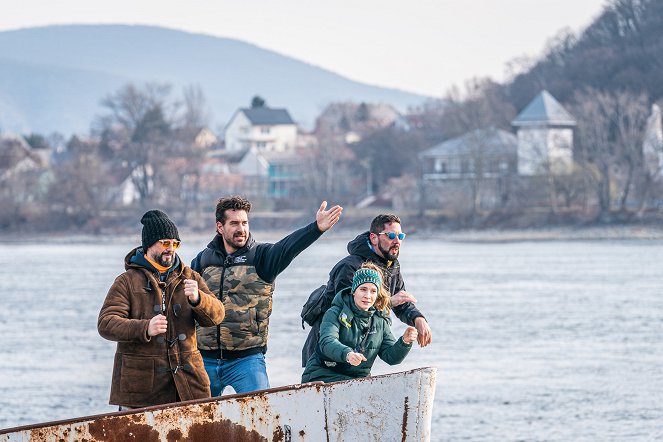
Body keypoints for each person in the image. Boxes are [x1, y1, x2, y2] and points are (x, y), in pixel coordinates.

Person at [192, 195, 343, 395]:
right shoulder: (203, 260)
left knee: (263, 412)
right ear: (220, 227)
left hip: (246, 361)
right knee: (196, 418)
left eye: (245, 223)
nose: (241, 229)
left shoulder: (262, 257)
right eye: (234, 223)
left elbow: (289, 247)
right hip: (205, 359)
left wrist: (316, 228)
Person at [98, 209, 225, 409]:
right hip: (140, 391)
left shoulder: (190, 277)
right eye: (165, 243)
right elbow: (106, 323)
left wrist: (199, 299)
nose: (171, 248)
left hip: (189, 387)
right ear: (149, 244)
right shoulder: (126, 282)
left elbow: (218, 315)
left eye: (175, 243)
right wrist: (145, 328)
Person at [302, 213, 432, 366]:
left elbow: (401, 301)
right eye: (391, 235)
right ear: (374, 238)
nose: (397, 241)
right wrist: (389, 302)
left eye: (400, 236)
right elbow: (351, 306)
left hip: (359, 351)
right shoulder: (350, 267)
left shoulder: (392, 266)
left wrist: (419, 319)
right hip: (326, 352)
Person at [302, 263, 418, 382]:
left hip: (357, 381)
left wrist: (404, 342)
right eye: (363, 289)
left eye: (373, 291)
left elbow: (391, 358)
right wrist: (347, 354)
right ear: (354, 291)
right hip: (323, 376)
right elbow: (327, 342)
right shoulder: (334, 313)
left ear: (377, 294)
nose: (368, 296)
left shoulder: (380, 320)